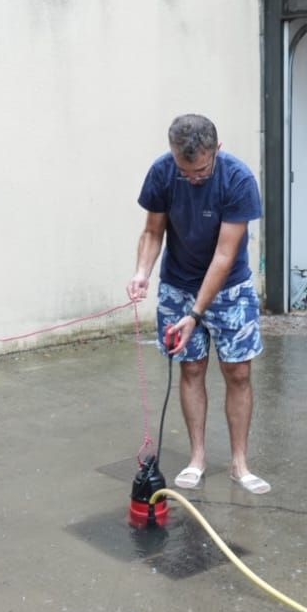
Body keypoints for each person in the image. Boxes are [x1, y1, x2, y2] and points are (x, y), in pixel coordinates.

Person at [127, 114, 269, 493]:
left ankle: (240, 463)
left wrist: (195, 314)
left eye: (201, 171)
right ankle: (197, 459)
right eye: (184, 169)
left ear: (216, 151)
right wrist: (143, 271)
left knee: (238, 373)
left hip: (230, 288)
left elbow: (224, 256)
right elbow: (153, 231)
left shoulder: (237, 179)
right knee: (192, 369)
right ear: (173, 155)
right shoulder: (161, 172)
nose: (192, 178)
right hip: (178, 284)